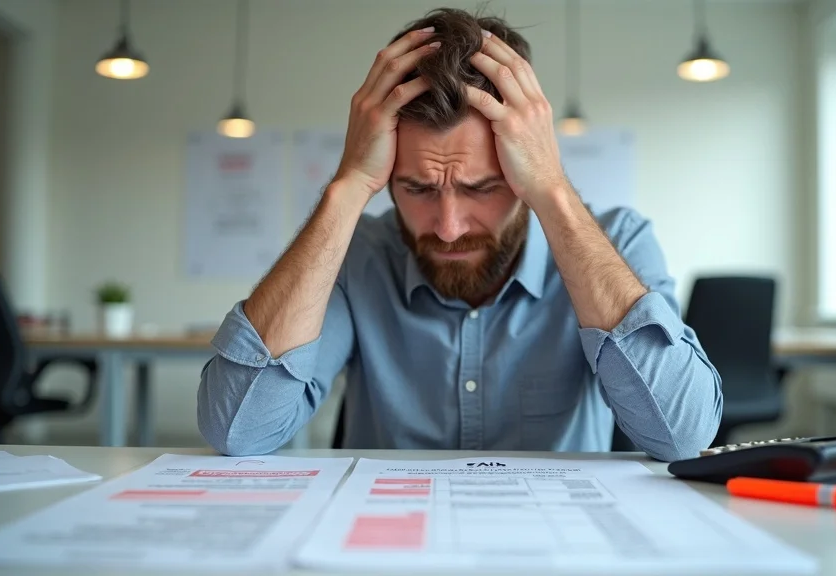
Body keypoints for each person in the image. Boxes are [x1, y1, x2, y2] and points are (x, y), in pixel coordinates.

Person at [197, 8, 722, 461]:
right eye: (417, 189)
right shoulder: (358, 257)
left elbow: (681, 434)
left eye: (483, 187)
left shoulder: (618, 243)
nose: (448, 228)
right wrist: (348, 186)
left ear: (525, 172)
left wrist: (554, 192)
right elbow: (237, 430)